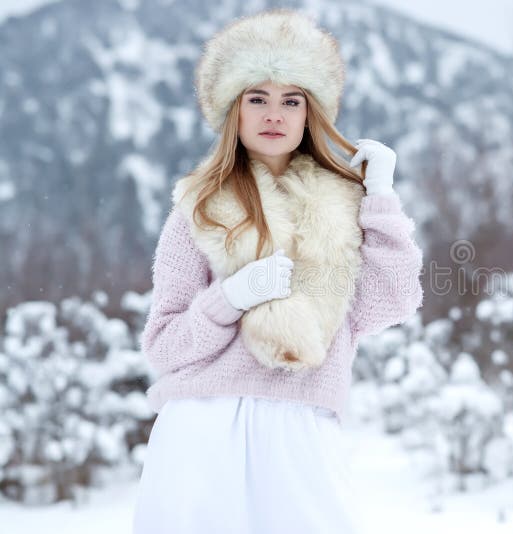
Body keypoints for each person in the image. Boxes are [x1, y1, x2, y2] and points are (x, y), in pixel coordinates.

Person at [131, 8, 424, 533]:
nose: (275, 114)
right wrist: (231, 299)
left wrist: (380, 195)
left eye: (292, 100)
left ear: (311, 113)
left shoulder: (348, 207)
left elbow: (394, 301)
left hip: (303, 428)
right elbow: (164, 346)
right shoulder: (197, 210)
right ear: (234, 112)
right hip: (203, 427)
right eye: (257, 98)